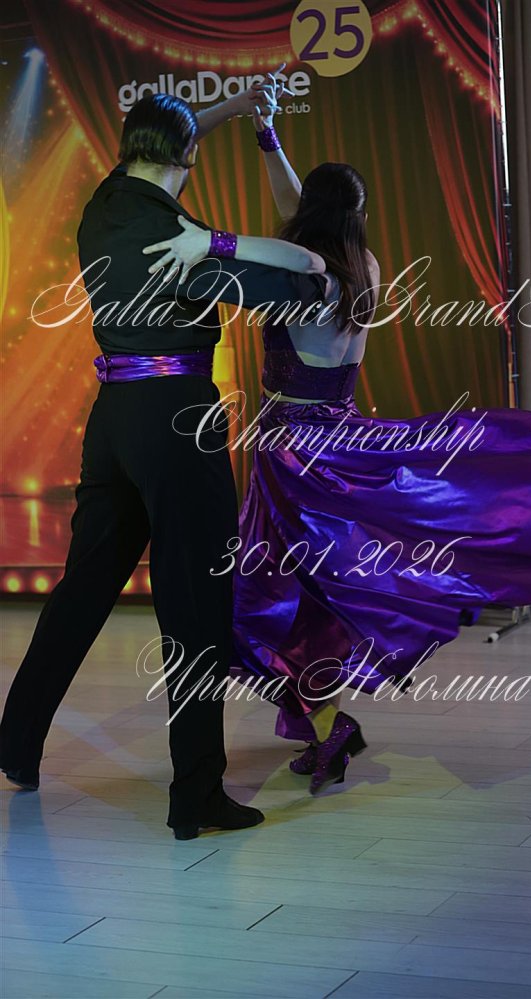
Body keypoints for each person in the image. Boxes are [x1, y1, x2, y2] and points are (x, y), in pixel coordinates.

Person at [143, 84, 531, 797]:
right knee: (310, 594)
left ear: (309, 219)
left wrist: (210, 242)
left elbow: (287, 240)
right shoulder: (363, 266)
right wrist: (267, 138)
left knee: (280, 599)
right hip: (336, 439)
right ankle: (328, 723)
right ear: (355, 216)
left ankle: (330, 726)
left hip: (298, 454)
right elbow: (297, 216)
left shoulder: (305, 276)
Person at [0, 79, 329, 840]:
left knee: (84, 589)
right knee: (196, 604)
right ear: (188, 157)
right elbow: (299, 286)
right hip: (178, 421)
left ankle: (16, 742)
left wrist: (228, 110)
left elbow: (170, 139)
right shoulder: (181, 236)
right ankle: (196, 794)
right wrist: (233, 243)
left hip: (113, 421)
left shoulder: (105, 204)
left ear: (129, 150)